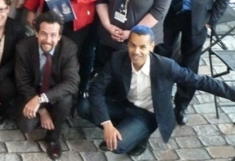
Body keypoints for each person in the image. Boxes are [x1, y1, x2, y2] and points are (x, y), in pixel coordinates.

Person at [78, 25, 235, 156]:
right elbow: (96, 90)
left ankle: (140, 135)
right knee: (83, 106)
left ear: (151, 46)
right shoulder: (118, 59)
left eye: (142, 47)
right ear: (128, 44)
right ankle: (124, 128)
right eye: (132, 45)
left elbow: (200, 81)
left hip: (147, 115)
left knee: (116, 146)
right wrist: (107, 125)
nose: (136, 51)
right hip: (123, 105)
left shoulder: (166, 66)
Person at [15, 11, 79, 160]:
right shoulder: (23, 47)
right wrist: (42, 110)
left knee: (66, 99)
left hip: (55, 93)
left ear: (59, 36)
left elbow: (72, 82)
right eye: (44, 34)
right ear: (36, 33)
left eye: (53, 35)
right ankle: (44, 117)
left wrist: (41, 100)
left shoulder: (69, 48)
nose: (48, 40)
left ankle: (53, 138)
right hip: (32, 92)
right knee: (26, 125)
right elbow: (22, 82)